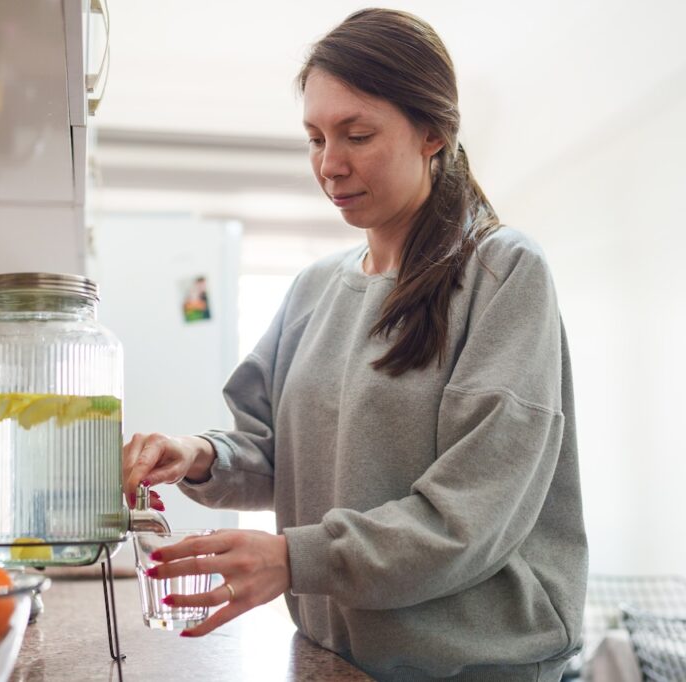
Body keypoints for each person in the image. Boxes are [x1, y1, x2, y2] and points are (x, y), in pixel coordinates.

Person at [122, 8, 587, 681]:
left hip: (476, 669)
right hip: (337, 658)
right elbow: (273, 456)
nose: (329, 165)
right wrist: (197, 457)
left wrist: (295, 559)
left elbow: (473, 516)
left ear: (434, 132)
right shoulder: (315, 288)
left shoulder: (502, 273)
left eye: (357, 135)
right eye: (314, 138)